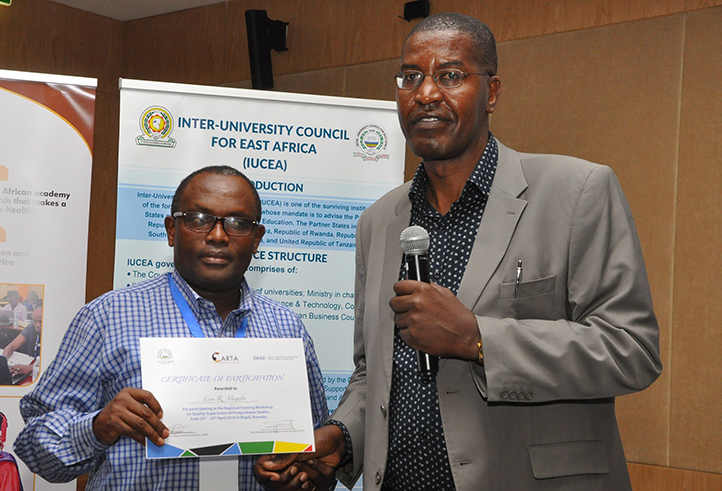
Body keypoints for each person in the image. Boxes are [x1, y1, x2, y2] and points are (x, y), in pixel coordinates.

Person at [256, 12, 663, 491]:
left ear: (491, 93)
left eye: (450, 75)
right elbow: (375, 373)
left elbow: (630, 349)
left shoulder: (577, 192)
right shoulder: (378, 222)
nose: (426, 93)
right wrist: (344, 436)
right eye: (410, 77)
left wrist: (477, 339)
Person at [14, 166, 328, 490]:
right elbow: (35, 449)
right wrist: (99, 426)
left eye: (238, 223)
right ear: (171, 230)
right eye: (199, 218)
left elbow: (318, 456)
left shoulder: (288, 330)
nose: (218, 235)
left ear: (257, 238)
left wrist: (300, 476)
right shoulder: (107, 317)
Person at [2, 307, 42, 379]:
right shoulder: (31, 328)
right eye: (34, 321)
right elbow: (11, 346)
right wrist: (4, 361)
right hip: (32, 369)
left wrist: (31, 368)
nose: (37, 325)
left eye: (40, 321)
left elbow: (55, 363)